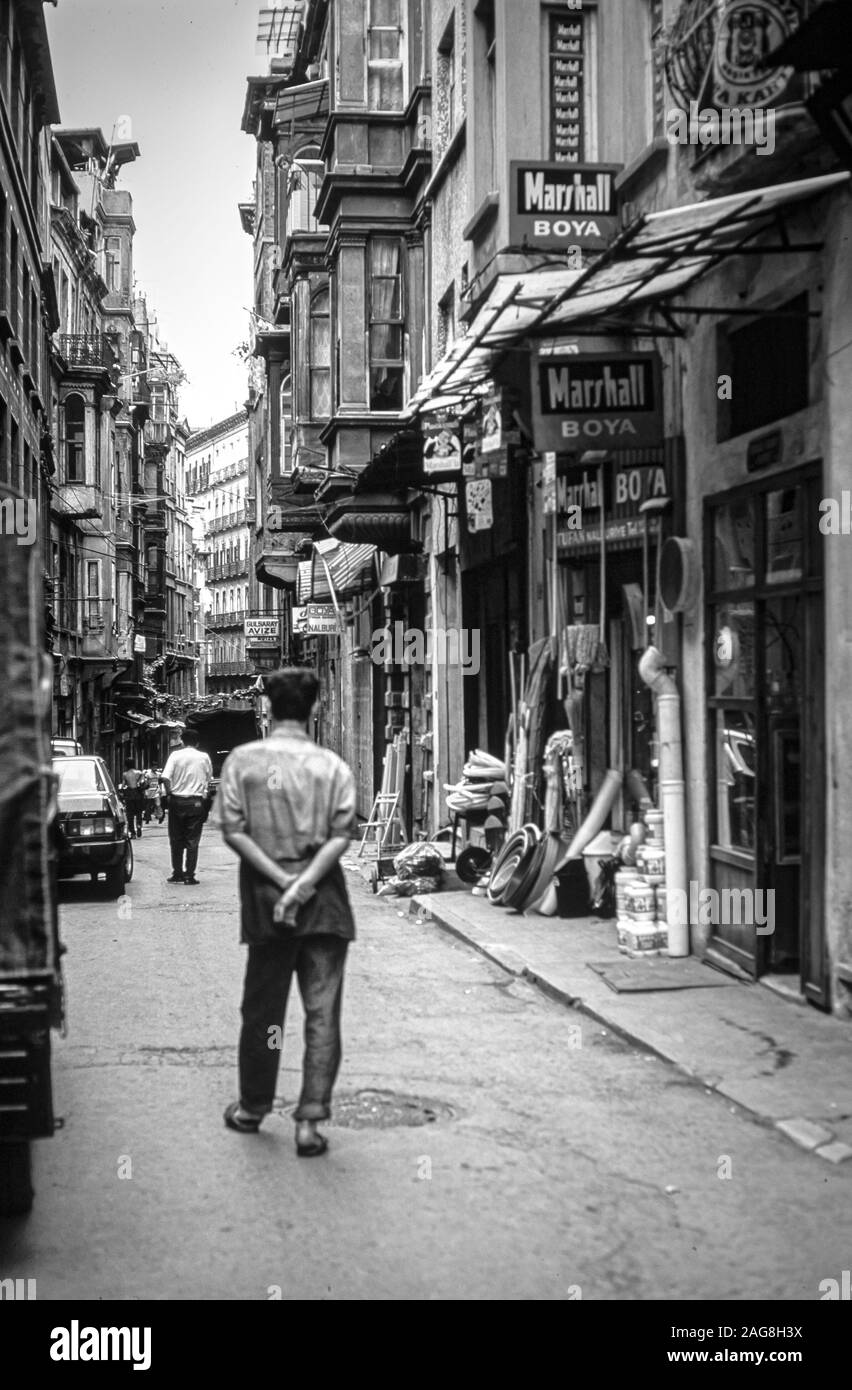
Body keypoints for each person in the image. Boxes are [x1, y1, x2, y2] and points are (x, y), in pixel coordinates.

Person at [215, 667, 356, 1158]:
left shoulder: (243, 762)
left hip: (266, 904)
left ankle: (254, 1108)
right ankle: (310, 1125)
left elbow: (233, 830)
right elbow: (342, 834)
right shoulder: (331, 766)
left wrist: (280, 883)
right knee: (322, 1015)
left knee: (265, 1015)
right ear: (314, 707)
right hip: (324, 905)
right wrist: (304, 884)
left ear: (269, 707)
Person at [160, 730, 213, 885]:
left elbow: (165, 777)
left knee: (176, 839)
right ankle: (189, 875)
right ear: (197, 743)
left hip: (176, 802)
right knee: (192, 840)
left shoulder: (175, 756)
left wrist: (170, 794)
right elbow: (208, 779)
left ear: (182, 741)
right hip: (196, 803)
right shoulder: (204, 757)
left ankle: (177, 873)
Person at [121, 761, 147, 838]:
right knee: (139, 813)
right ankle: (139, 826)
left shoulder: (125, 774)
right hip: (138, 795)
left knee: (130, 815)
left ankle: (133, 833)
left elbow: (123, 786)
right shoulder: (139, 773)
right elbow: (143, 783)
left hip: (129, 795)